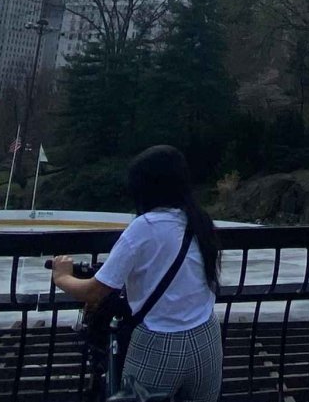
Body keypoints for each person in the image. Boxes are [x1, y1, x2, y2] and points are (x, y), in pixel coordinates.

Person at [52, 145, 223, 402]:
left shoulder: (143, 228)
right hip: (207, 339)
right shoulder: (200, 222)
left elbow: (95, 291)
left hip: (159, 345)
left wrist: (62, 277)